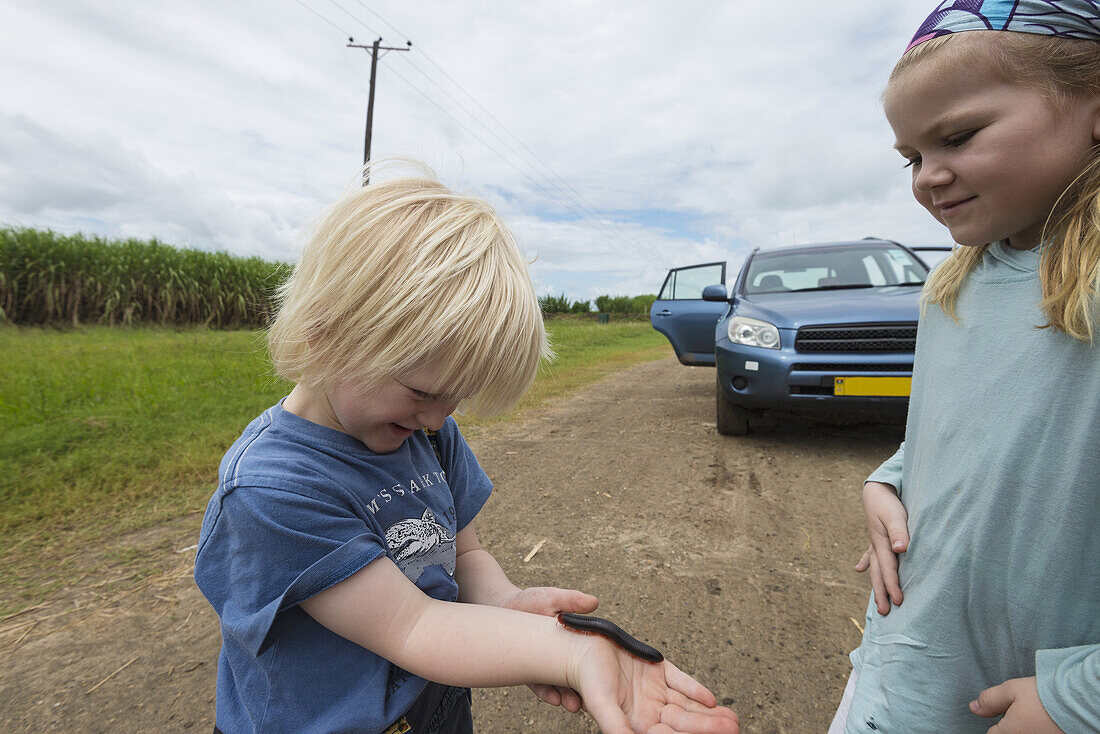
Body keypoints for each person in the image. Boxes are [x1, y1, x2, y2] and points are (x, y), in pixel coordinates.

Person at [194, 168, 740, 734]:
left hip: (436, 711)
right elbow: (414, 626)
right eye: (423, 393)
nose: (438, 418)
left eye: (457, 398)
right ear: (324, 334)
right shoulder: (272, 489)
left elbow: (465, 556)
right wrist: (572, 654)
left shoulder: (426, 432)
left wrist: (503, 603)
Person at [830, 3, 1100, 732]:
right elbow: (965, 431)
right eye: (912, 157)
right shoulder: (951, 284)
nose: (928, 177)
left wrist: (1077, 697)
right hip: (899, 677)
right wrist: (887, 480)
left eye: (959, 136)